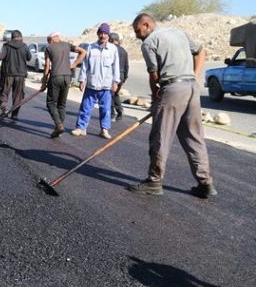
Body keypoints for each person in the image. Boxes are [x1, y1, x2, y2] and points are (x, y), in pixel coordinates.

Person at [127, 13, 215, 198]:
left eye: (138, 30)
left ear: (146, 24)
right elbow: (200, 51)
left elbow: (154, 76)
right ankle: (205, 183)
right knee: (194, 138)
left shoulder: (149, 42)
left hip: (173, 89)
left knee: (160, 136)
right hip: (191, 88)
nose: (137, 35)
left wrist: (155, 101)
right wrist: (195, 77)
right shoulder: (179, 33)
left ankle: (154, 181)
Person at [72, 23, 120, 139]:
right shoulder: (90, 47)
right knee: (85, 107)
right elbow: (85, 65)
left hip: (106, 85)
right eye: (101, 33)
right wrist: (82, 80)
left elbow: (116, 67)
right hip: (91, 84)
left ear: (108, 35)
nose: (103, 36)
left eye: (105, 34)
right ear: (98, 34)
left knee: (106, 109)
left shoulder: (113, 49)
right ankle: (81, 128)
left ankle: (104, 129)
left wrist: (115, 81)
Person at [40, 32, 86, 137]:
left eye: (48, 40)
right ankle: (58, 128)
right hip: (67, 77)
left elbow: (47, 66)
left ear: (52, 38)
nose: (49, 42)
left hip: (56, 77)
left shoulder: (48, 48)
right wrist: (74, 65)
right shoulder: (67, 45)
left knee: (51, 103)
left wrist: (43, 83)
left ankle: (59, 125)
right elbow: (83, 52)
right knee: (62, 105)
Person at [0, 30, 31, 119]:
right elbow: (29, 57)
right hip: (20, 75)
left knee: (3, 92)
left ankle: (4, 108)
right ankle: (14, 115)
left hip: (8, 74)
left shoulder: (6, 46)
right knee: (18, 95)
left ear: (12, 37)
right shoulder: (25, 46)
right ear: (21, 37)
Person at [110, 32, 129, 120]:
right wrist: (125, 77)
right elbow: (126, 65)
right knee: (116, 94)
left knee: (109, 94)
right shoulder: (124, 51)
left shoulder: (112, 49)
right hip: (121, 75)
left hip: (113, 75)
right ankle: (119, 110)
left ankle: (111, 113)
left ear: (112, 40)